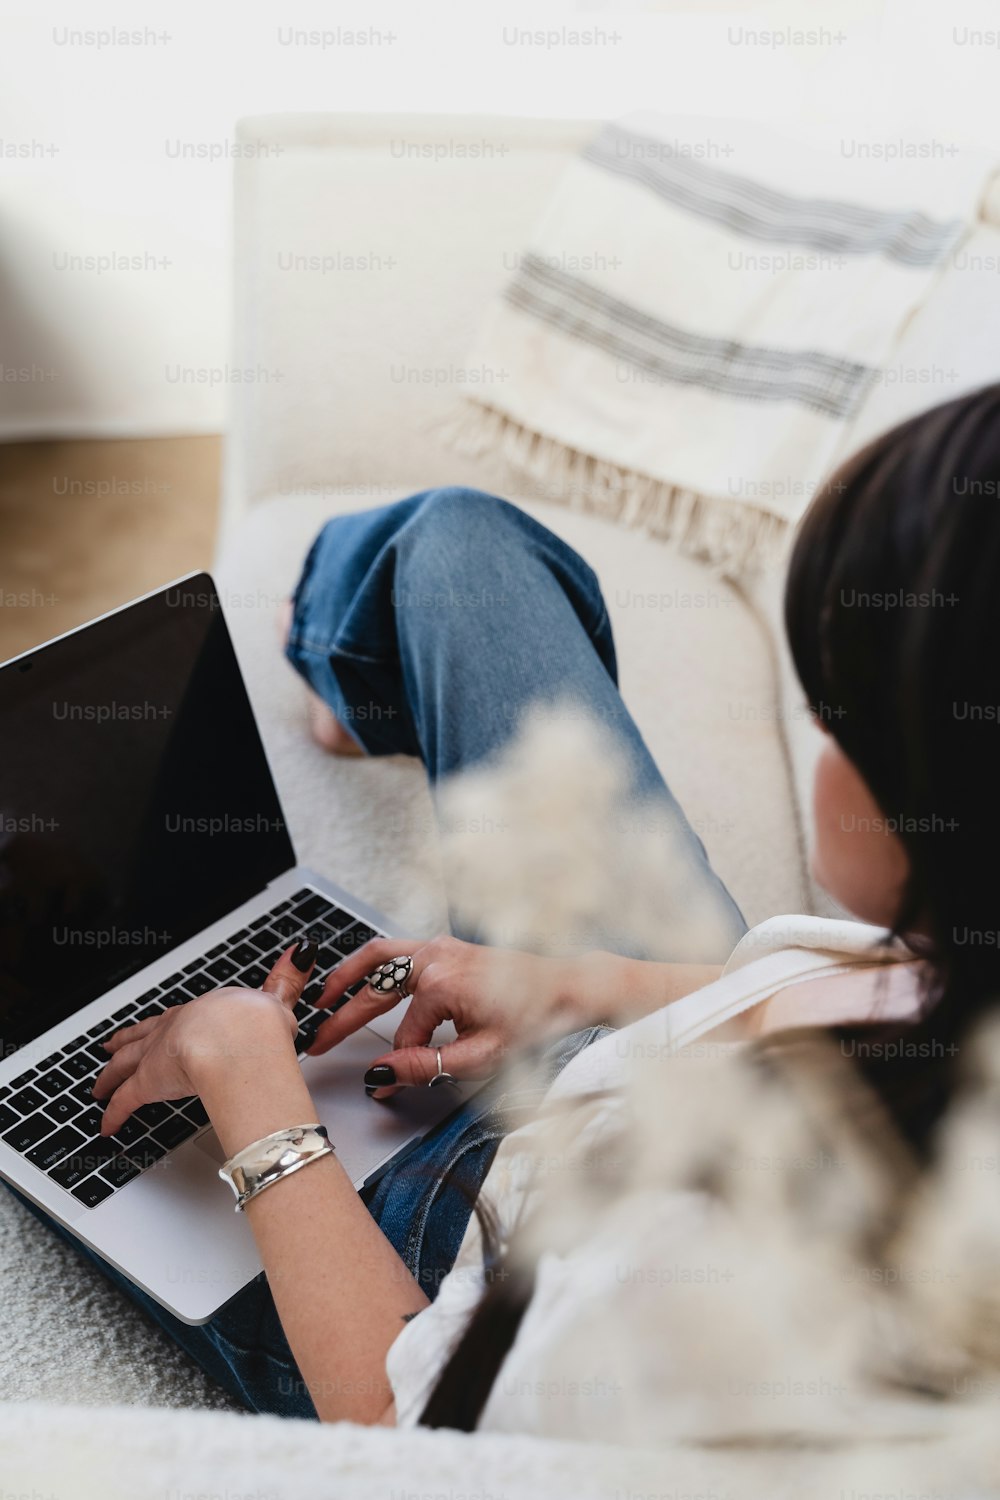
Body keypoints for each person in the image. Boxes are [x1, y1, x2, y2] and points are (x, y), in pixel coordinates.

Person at [15, 384, 1000, 1437]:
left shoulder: (715, 1273)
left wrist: (254, 1089)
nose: (815, 722)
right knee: (461, 545)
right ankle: (350, 686)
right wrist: (579, 984)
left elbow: (414, 1431)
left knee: (45, 961)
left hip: (417, 1275)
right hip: (640, 1066)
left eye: (839, 707)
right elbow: (880, 1004)